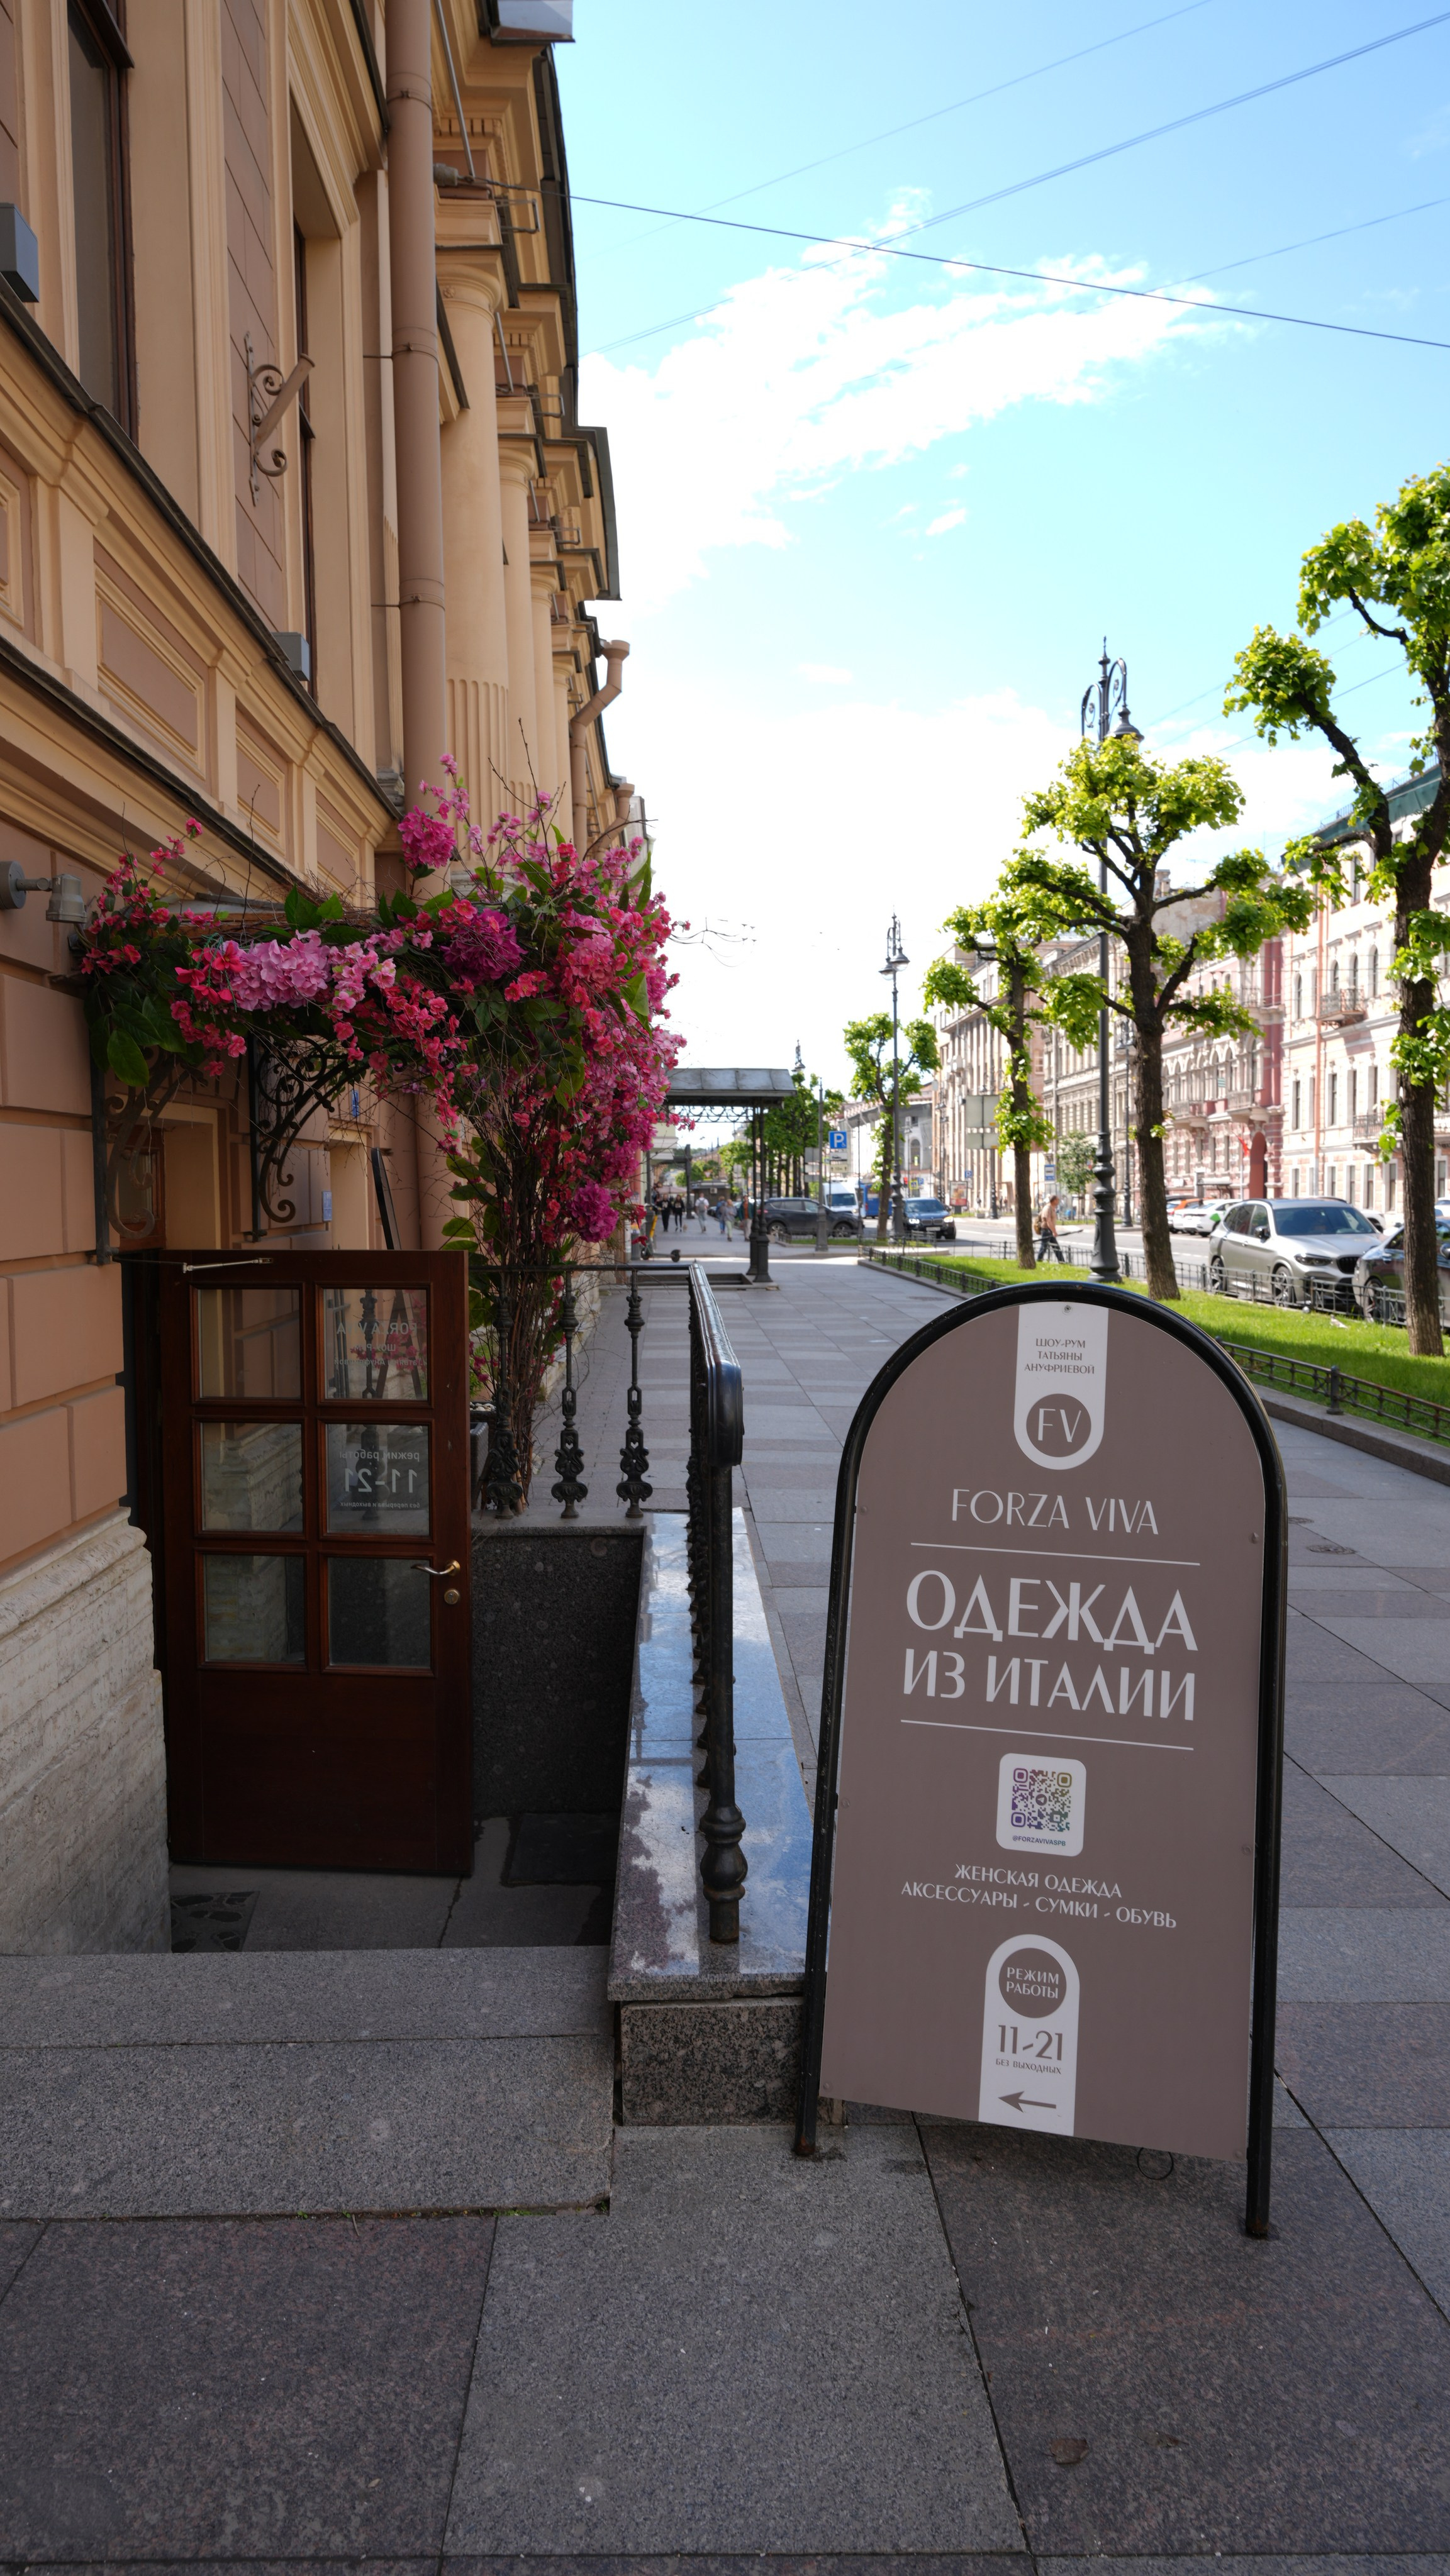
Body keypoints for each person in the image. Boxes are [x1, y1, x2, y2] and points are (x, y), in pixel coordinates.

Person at [1037, 1194, 1066, 1263]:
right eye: (1057, 1200)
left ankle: (1062, 1262)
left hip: (1049, 1230)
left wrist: (1053, 1231)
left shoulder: (1052, 1208)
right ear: (1054, 1200)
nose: (1058, 1201)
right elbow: (1048, 1221)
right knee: (1044, 1247)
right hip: (1046, 1230)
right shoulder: (1047, 1208)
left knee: (1055, 1247)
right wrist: (1054, 1232)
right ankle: (1039, 1260)